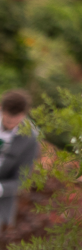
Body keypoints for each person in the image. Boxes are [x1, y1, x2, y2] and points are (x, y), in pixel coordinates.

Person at [0, 89, 39, 227]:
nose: (9, 125)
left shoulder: (31, 139)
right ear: (1, 109)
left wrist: (1, 188)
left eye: (14, 122)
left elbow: (22, 180)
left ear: (23, 115)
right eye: (7, 120)